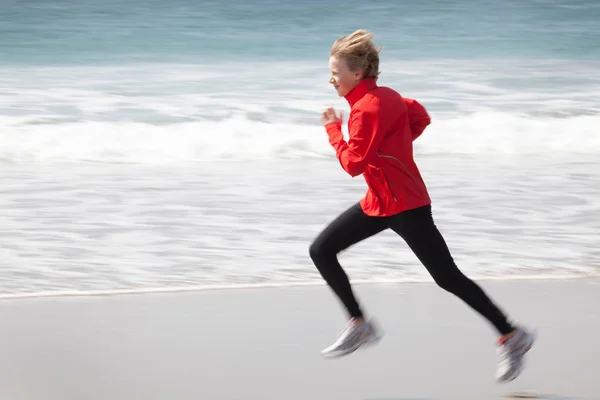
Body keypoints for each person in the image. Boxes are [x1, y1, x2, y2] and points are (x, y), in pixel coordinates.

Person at [309, 29, 535, 383]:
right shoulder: (386, 97)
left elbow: (352, 163)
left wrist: (333, 129)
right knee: (322, 250)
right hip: (379, 203)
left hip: (407, 207)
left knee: (448, 278)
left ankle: (512, 335)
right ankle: (359, 324)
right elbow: (418, 116)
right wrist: (395, 147)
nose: (331, 79)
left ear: (357, 73)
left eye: (336, 73)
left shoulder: (364, 110)